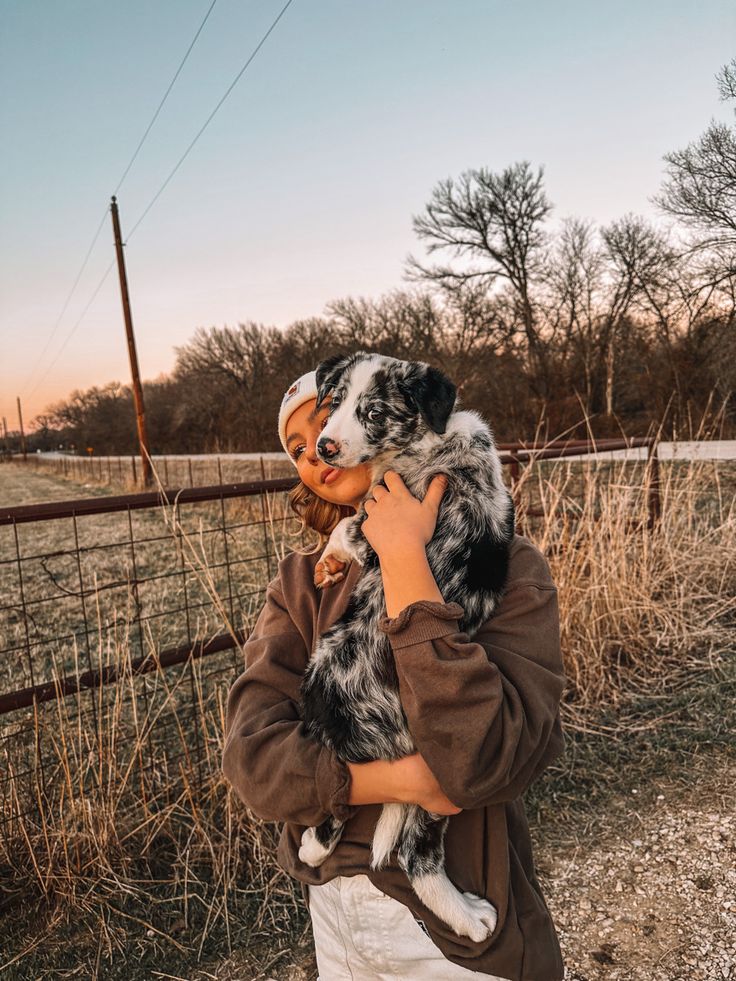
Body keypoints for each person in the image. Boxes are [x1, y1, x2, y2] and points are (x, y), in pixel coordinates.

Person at [222, 369, 567, 981]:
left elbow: (485, 758)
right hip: (335, 914)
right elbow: (254, 764)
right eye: (297, 448)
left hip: (458, 938)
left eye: (329, 419)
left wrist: (406, 556)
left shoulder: (506, 565)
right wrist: (400, 781)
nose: (319, 447)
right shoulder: (302, 584)